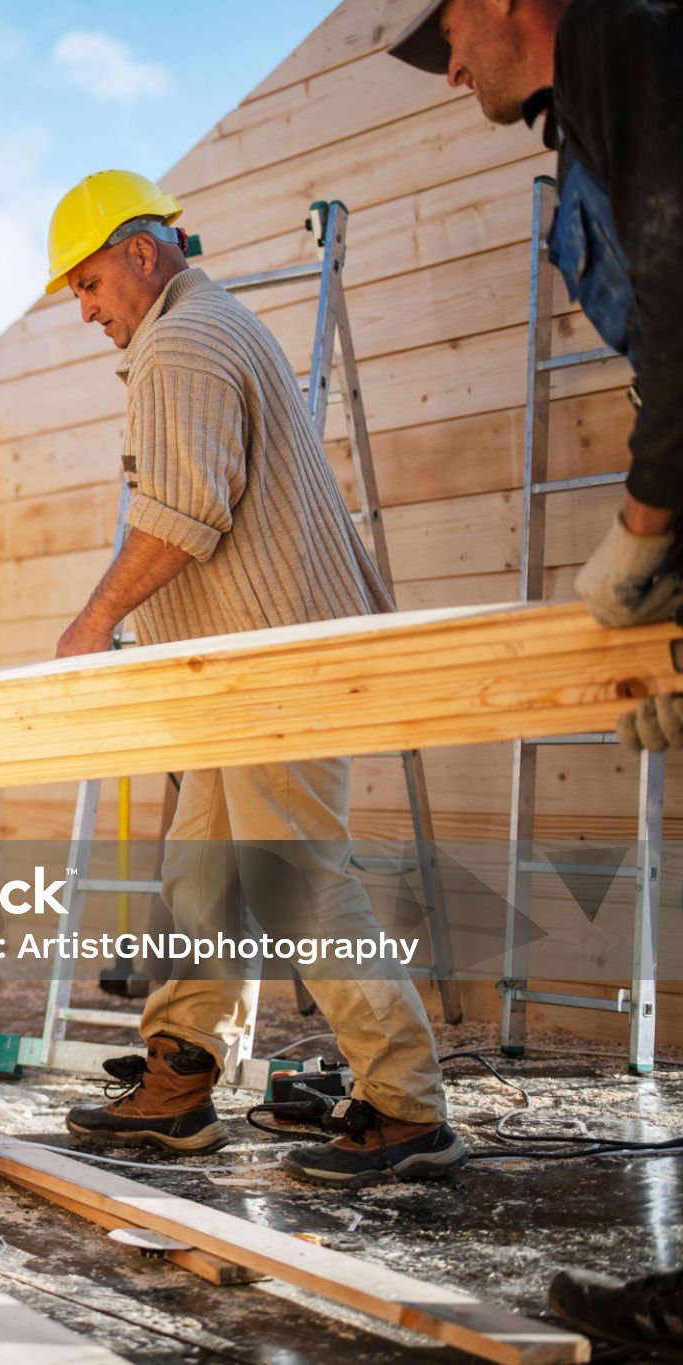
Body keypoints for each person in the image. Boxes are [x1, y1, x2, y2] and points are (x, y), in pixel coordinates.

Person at [44, 170, 466, 1188]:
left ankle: (406, 1107)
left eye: (89, 284)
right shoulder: (203, 325)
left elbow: (185, 510)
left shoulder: (180, 340)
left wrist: (96, 616)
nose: (87, 310)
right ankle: (181, 1080)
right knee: (203, 880)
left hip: (274, 661)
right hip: (238, 666)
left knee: (294, 883)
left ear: (140, 253)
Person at [391, 0, 683, 1348]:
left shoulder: (643, 48)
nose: (446, 66)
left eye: (444, 31)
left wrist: (645, 534)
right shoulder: (585, 124)